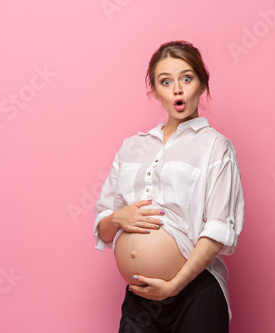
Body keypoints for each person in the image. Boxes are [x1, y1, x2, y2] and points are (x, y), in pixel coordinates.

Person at [93, 40, 244, 333]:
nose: (177, 89)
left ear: (202, 85)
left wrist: (175, 285)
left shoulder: (215, 146)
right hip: (141, 298)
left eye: (187, 78)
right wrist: (117, 218)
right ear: (155, 91)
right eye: (166, 81)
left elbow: (217, 228)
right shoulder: (131, 147)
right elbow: (102, 226)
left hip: (194, 292)